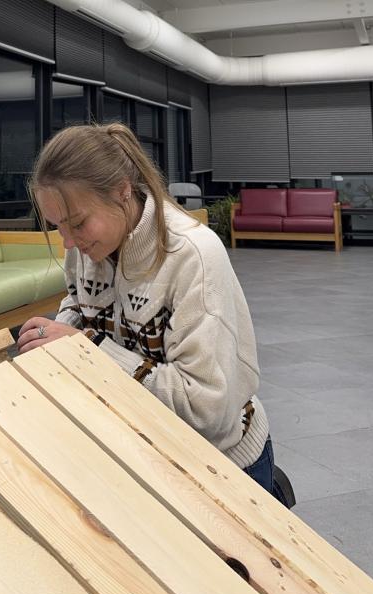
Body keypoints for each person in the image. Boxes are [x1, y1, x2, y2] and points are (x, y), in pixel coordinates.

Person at [16, 122, 278, 496]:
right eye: (57, 226)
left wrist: (85, 348)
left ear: (123, 192)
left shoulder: (193, 255)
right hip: (143, 456)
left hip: (222, 468)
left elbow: (206, 412)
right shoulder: (85, 247)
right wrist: (55, 338)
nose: (69, 241)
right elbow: (78, 303)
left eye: (77, 223)